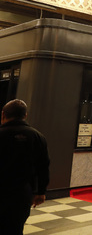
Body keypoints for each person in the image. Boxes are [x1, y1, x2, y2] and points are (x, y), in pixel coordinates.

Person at [0, 99, 50, 234]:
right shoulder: (38, 136)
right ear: (25, 116)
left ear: (3, 114)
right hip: (22, 193)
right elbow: (43, 166)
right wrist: (41, 191)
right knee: (15, 228)